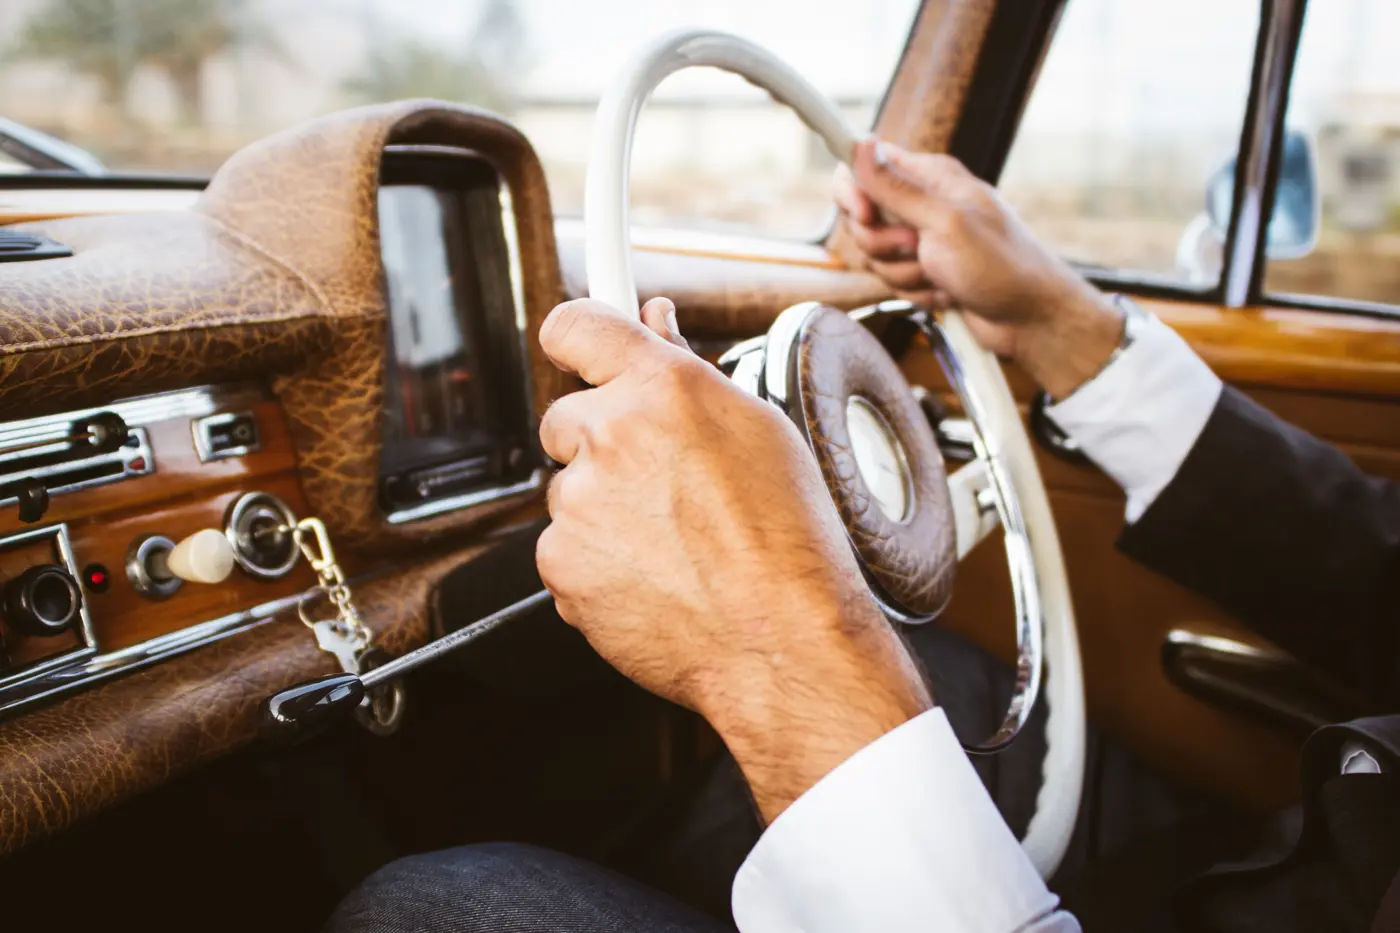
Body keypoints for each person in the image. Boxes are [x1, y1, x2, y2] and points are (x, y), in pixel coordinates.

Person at [325, 139, 1400, 933]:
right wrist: (1055, 323)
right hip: (1299, 860)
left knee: (430, 909)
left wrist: (777, 638)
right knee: (942, 677)